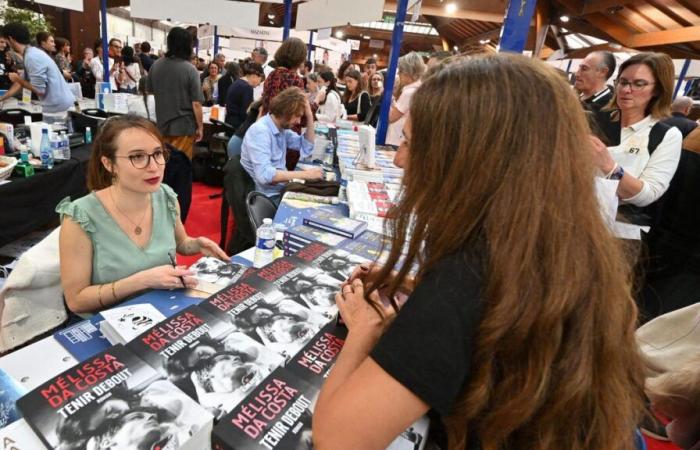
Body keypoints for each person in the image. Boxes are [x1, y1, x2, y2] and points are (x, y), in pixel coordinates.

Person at [312, 53, 646, 450]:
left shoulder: (465, 277)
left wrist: (365, 329)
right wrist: (417, 285)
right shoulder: (558, 242)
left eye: (410, 143)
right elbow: (499, 310)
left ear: (464, 162)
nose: (400, 160)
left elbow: (337, 439)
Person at [56, 115, 227, 316]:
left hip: (161, 309)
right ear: (109, 164)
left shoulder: (166, 196)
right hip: (107, 323)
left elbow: (180, 242)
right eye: (137, 157)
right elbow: (76, 301)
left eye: (158, 154)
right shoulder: (80, 217)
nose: (154, 167)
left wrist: (196, 244)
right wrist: (142, 280)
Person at [590, 52, 682, 212]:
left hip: (614, 227)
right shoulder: (594, 119)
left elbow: (648, 195)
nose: (626, 90)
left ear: (658, 90)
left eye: (639, 84)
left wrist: (609, 167)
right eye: (622, 82)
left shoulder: (665, 135)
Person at [240, 87, 323, 205]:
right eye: (297, 116)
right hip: (267, 198)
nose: (299, 121)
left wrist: (309, 115)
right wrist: (306, 175)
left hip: (279, 190)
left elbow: (306, 146)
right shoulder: (260, 131)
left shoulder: (281, 128)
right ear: (287, 111)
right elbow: (264, 175)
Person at [146, 27, 204, 159]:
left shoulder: (156, 65)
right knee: (181, 166)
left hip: (161, 125)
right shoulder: (190, 69)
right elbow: (196, 104)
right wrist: (200, 127)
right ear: (188, 45)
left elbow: (150, 91)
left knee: (164, 164)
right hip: (184, 128)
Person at [0, 23, 75, 114]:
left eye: (5, 41)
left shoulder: (32, 57)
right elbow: (19, 83)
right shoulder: (31, 53)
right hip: (58, 105)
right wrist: (2, 98)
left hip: (59, 108)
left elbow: (40, 90)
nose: (5, 45)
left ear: (11, 39)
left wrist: (17, 79)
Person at [261, 37, 311, 170]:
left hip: (268, 129)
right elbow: (301, 116)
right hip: (286, 134)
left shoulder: (272, 75)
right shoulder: (295, 79)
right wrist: (314, 104)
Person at [386, 52, 425, 146]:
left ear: (409, 72)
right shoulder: (420, 89)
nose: (398, 74)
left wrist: (387, 101)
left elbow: (391, 117)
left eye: (401, 71)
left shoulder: (409, 92)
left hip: (396, 140)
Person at [225, 60, 264, 130]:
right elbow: (246, 113)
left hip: (229, 122)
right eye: (260, 81)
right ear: (255, 75)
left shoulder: (236, 82)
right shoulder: (247, 88)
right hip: (237, 127)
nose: (258, 85)